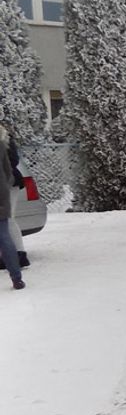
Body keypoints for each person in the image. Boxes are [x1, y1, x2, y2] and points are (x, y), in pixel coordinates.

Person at [0, 124, 26, 290]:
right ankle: (16, 278)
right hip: (2, 192)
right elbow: (9, 169)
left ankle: (20, 257)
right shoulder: (2, 142)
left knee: (8, 227)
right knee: (4, 233)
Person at [3, 129, 31, 270]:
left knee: (7, 220)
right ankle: (17, 255)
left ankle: (16, 255)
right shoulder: (5, 135)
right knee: (8, 220)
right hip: (11, 181)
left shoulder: (5, 136)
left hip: (8, 183)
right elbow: (14, 160)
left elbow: (13, 160)